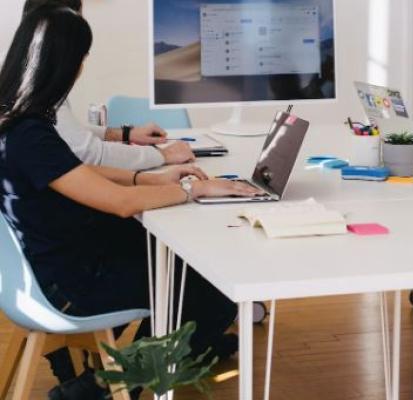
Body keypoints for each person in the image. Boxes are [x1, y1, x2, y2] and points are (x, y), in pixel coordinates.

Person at [0, 6, 263, 399]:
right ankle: (104, 387)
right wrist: (195, 191)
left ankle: (169, 350)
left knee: (178, 266)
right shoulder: (31, 135)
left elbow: (81, 175)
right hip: (69, 285)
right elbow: (120, 202)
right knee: (213, 291)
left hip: (54, 263)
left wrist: (152, 179)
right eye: (81, 59)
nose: (82, 69)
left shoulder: (17, 120)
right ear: (63, 64)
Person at [20, 0, 196, 171]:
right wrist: (163, 156)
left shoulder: (24, 68)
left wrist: (125, 134)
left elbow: (65, 133)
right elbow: (89, 153)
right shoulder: (33, 83)